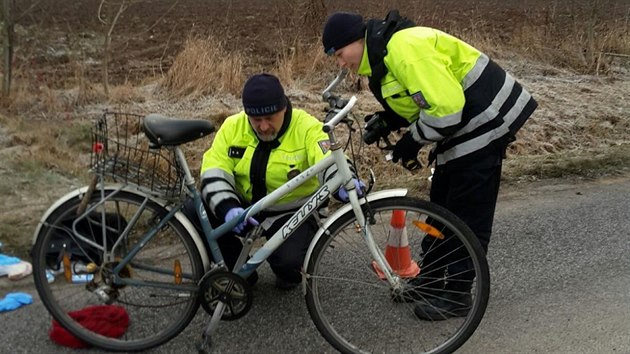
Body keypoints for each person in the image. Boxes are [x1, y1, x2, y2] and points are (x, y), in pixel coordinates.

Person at [322, 10, 537, 319]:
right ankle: (433, 280)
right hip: (464, 124)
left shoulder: (403, 50)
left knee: (466, 212)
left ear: (356, 40)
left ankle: (458, 294)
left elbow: (447, 109)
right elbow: (421, 98)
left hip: (486, 120)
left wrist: (413, 140)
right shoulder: (383, 58)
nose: (341, 63)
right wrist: (390, 119)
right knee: (442, 206)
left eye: (340, 54)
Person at [188, 73, 363, 290]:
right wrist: (228, 209)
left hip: (290, 213)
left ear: (284, 108)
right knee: (194, 211)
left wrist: (345, 182)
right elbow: (214, 170)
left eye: (270, 118)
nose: (263, 127)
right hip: (244, 209)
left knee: (289, 266)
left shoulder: (306, 126)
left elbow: (328, 158)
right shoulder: (232, 126)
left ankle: (287, 267)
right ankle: (237, 272)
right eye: (256, 120)